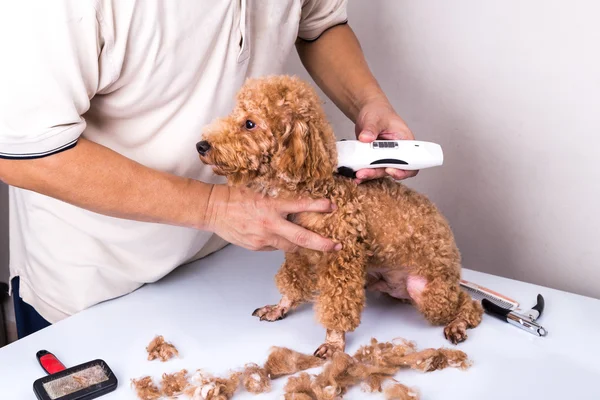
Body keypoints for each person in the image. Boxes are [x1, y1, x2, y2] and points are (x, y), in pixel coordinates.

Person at [0, 0, 416, 339]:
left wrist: (367, 102)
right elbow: (26, 154)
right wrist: (213, 208)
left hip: (226, 263)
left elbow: (319, 23)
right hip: (95, 285)